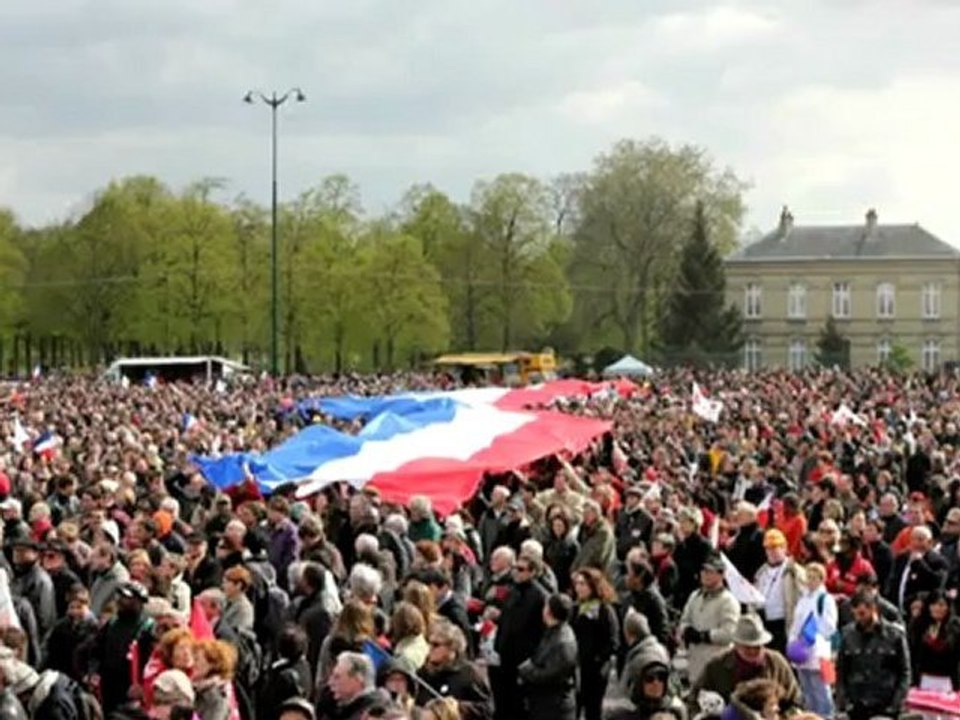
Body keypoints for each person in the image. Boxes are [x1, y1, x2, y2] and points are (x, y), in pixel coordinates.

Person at [689, 614, 801, 711]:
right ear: (736, 644)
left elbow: (796, 701)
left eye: (757, 646)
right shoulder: (716, 666)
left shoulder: (777, 663)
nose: (753, 651)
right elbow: (695, 700)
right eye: (747, 647)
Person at [836, 591, 911, 720]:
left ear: (873, 609)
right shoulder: (848, 636)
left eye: (862, 614)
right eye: (855, 615)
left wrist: (896, 704)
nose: (859, 618)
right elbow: (841, 671)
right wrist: (845, 702)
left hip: (885, 704)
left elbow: (905, 672)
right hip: (857, 704)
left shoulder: (894, 636)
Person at [489, 554, 547, 720]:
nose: (516, 572)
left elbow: (540, 630)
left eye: (521, 569)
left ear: (533, 572)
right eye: (515, 568)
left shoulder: (539, 596)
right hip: (504, 657)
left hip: (522, 659)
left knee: (518, 707)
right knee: (503, 704)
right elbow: (508, 618)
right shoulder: (513, 590)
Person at [678, 554, 740, 684]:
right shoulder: (695, 596)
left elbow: (729, 633)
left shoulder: (728, 601)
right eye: (703, 570)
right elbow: (684, 620)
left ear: (721, 575)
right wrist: (686, 630)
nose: (705, 574)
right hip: (695, 666)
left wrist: (704, 636)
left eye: (710, 571)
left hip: (717, 666)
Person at [786, 562, 837, 718]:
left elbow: (829, 625)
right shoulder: (803, 598)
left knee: (822, 689)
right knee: (807, 689)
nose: (810, 581)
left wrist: (811, 634)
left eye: (814, 578)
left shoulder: (826, 599)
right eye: (808, 577)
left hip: (821, 651)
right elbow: (795, 622)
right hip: (801, 651)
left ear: (821, 579)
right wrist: (793, 641)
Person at [416, 619, 493, 720]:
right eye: (429, 644)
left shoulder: (469, 674)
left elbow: (488, 709)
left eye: (436, 645)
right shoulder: (423, 674)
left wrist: (459, 707)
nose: (430, 648)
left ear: (452, 648)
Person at [518, 593, 578, 720]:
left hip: (554, 707)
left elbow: (552, 674)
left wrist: (527, 670)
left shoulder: (562, 641)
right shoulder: (554, 631)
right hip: (545, 703)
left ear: (548, 611)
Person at [571, 567, 619, 720]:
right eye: (577, 583)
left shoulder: (604, 610)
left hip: (595, 671)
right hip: (576, 668)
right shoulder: (575, 608)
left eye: (583, 584)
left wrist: (599, 659)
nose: (579, 587)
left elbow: (613, 641)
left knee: (593, 711)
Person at [753, 529, 805, 654]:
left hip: (783, 624)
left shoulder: (794, 571)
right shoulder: (761, 572)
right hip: (764, 623)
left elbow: (803, 597)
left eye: (776, 547)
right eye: (769, 548)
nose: (773, 551)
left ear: (784, 548)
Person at [908, 589, 960, 689]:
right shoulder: (919, 626)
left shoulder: (955, 628)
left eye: (941, 605)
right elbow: (912, 652)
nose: (937, 608)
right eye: (933, 605)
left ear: (947, 608)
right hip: (922, 679)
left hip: (948, 682)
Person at [321, 651, 387, 720]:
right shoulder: (338, 707)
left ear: (358, 678)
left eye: (337, 677)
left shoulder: (375, 715)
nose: (330, 683)